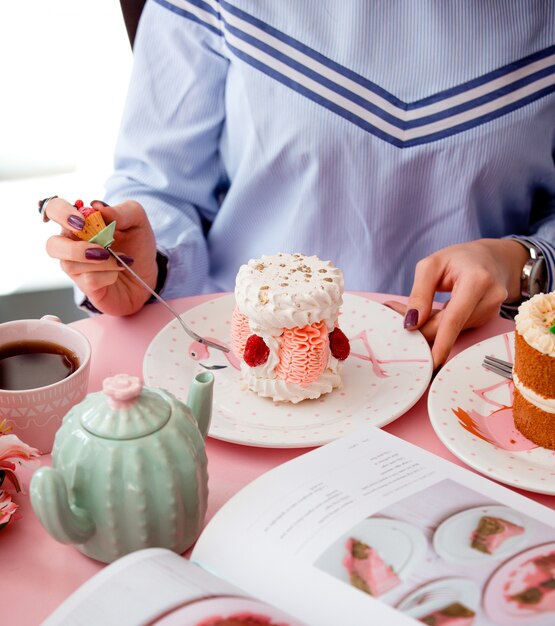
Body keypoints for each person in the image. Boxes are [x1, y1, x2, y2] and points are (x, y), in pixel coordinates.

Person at [41, 0, 555, 369]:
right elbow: (162, 183)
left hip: (474, 372)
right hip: (236, 366)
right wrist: (150, 264)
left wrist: (523, 263)